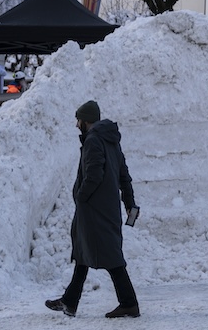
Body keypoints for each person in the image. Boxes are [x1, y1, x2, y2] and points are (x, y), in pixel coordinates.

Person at [46, 100, 140, 318]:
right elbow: (123, 176)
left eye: (78, 120)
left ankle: (129, 303)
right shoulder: (110, 141)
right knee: (82, 251)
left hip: (95, 210)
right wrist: (129, 203)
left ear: (85, 120)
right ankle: (70, 301)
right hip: (104, 208)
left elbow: (94, 174)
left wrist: (81, 196)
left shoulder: (94, 140)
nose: (76, 124)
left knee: (111, 257)